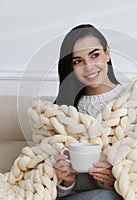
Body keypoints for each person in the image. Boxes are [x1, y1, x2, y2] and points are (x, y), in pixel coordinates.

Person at [53, 24, 124, 200]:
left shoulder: (136, 100)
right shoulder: (61, 111)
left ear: (107, 53)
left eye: (95, 55)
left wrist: (117, 180)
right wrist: (66, 182)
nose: (89, 66)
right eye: (78, 61)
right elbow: (50, 189)